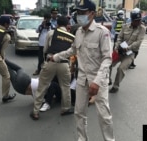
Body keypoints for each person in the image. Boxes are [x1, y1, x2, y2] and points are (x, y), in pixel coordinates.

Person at [49, 0, 115, 140]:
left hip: (98, 80)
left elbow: (107, 59)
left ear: (92, 13)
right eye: (78, 12)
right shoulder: (78, 31)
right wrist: (56, 56)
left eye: (82, 12)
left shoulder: (102, 33)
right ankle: (82, 139)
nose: (79, 15)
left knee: (103, 115)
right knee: (79, 113)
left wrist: (96, 82)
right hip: (82, 79)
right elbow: (72, 50)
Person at [30, 16, 75, 120]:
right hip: (64, 64)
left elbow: (45, 49)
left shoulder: (51, 33)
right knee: (65, 86)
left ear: (58, 24)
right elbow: (71, 52)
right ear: (67, 25)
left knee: (43, 86)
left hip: (50, 61)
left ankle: (35, 112)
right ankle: (65, 109)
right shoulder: (72, 37)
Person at [109, 8, 146, 93]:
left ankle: (115, 86)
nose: (138, 22)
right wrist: (117, 46)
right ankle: (108, 80)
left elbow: (138, 42)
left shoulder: (142, 29)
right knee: (108, 63)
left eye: (139, 20)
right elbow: (119, 37)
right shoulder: (125, 26)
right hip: (120, 51)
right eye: (136, 20)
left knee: (121, 69)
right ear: (132, 20)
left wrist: (128, 48)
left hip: (130, 53)